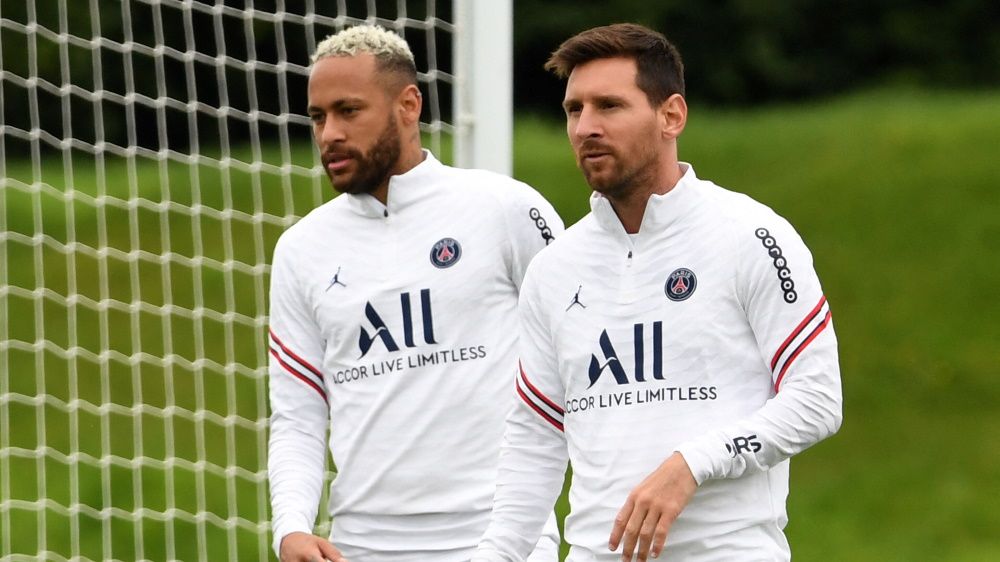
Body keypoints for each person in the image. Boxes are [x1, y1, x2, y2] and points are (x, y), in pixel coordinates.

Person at [474, 23, 843, 562]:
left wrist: (692, 463)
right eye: (574, 110)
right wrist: (496, 554)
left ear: (671, 115)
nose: (586, 128)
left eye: (609, 106)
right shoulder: (554, 268)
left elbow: (817, 400)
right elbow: (536, 437)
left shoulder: (750, 234)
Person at [267, 25, 563, 562]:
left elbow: (580, 354)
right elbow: (297, 412)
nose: (328, 133)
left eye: (348, 111)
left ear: (408, 105)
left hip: (503, 537)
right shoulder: (300, 249)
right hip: (360, 544)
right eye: (317, 117)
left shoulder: (506, 208)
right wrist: (290, 526)